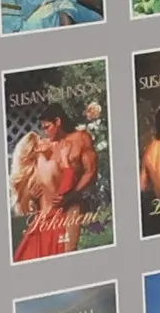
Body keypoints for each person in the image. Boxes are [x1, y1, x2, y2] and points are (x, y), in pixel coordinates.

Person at [10, 106, 99, 258]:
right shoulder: (49, 146)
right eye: (43, 129)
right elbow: (44, 179)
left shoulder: (81, 138)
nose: (45, 133)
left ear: (58, 122)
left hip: (71, 205)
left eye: (47, 127)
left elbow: (91, 171)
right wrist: (32, 197)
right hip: (49, 210)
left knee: (67, 253)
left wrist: (71, 195)